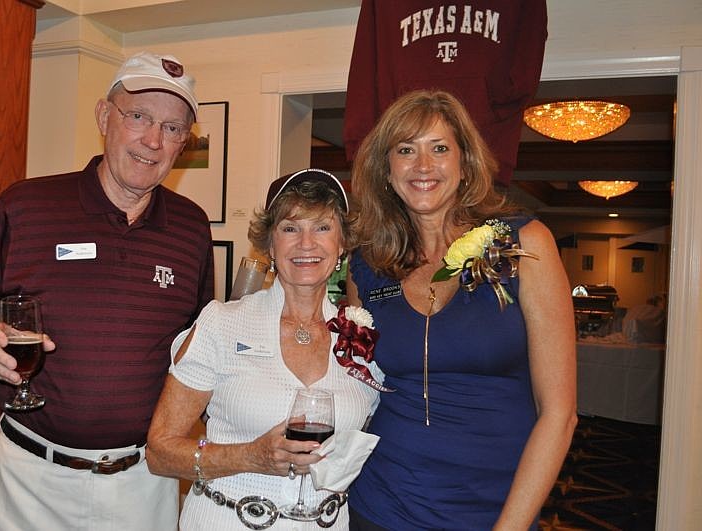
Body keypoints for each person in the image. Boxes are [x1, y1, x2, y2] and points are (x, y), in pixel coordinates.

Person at [0, 51, 214, 531]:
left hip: (143, 482)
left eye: (173, 129)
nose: (153, 140)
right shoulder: (25, 205)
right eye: (139, 117)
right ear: (103, 116)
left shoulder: (192, 227)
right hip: (29, 479)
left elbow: (199, 346)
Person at [345, 90, 577, 530]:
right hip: (380, 505)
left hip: (493, 510)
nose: (423, 166)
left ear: (465, 162)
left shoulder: (524, 246)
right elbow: (355, 385)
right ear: (386, 170)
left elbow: (559, 415)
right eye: (406, 150)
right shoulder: (368, 265)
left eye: (439, 148)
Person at [146, 169, 383, 530]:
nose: (306, 243)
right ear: (270, 245)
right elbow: (160, 452)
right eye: (290, 228)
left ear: (343, 245)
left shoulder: (361, 339)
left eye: (322, 227)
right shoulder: (221, 324)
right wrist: (249, 457)